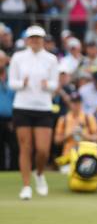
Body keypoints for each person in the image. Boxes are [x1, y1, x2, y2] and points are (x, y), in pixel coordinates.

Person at [8, 26, 59, 200]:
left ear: (43, 40)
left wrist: (48, 85)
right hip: (22, 106)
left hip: (43, 107)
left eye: (38, 38)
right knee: (25, 147)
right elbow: (12, 83)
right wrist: (22, 83)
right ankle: (26, 186)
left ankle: (39, 173)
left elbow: (55, 84)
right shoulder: (18, 57)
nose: (35, 41)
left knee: (43, 150)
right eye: (32, 38)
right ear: (28, 40)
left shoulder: (51, 59)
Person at [54, 92, 97, 158]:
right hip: (68, 155)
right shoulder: (64, 119)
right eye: (74, 102)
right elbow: (57, 140)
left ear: (81, 103)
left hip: (86, 154)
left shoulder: (88, 118)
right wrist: (70, 134)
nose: (76, 105)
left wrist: (83, 135)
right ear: (70, 104)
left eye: (78, 102)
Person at [0, 50, 18, 170]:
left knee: (15, 147)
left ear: (6, 61)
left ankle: (14, 171)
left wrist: (15, 118)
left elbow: (18, 98)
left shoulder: (13, 77)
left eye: (1, 60)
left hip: (12, 119)